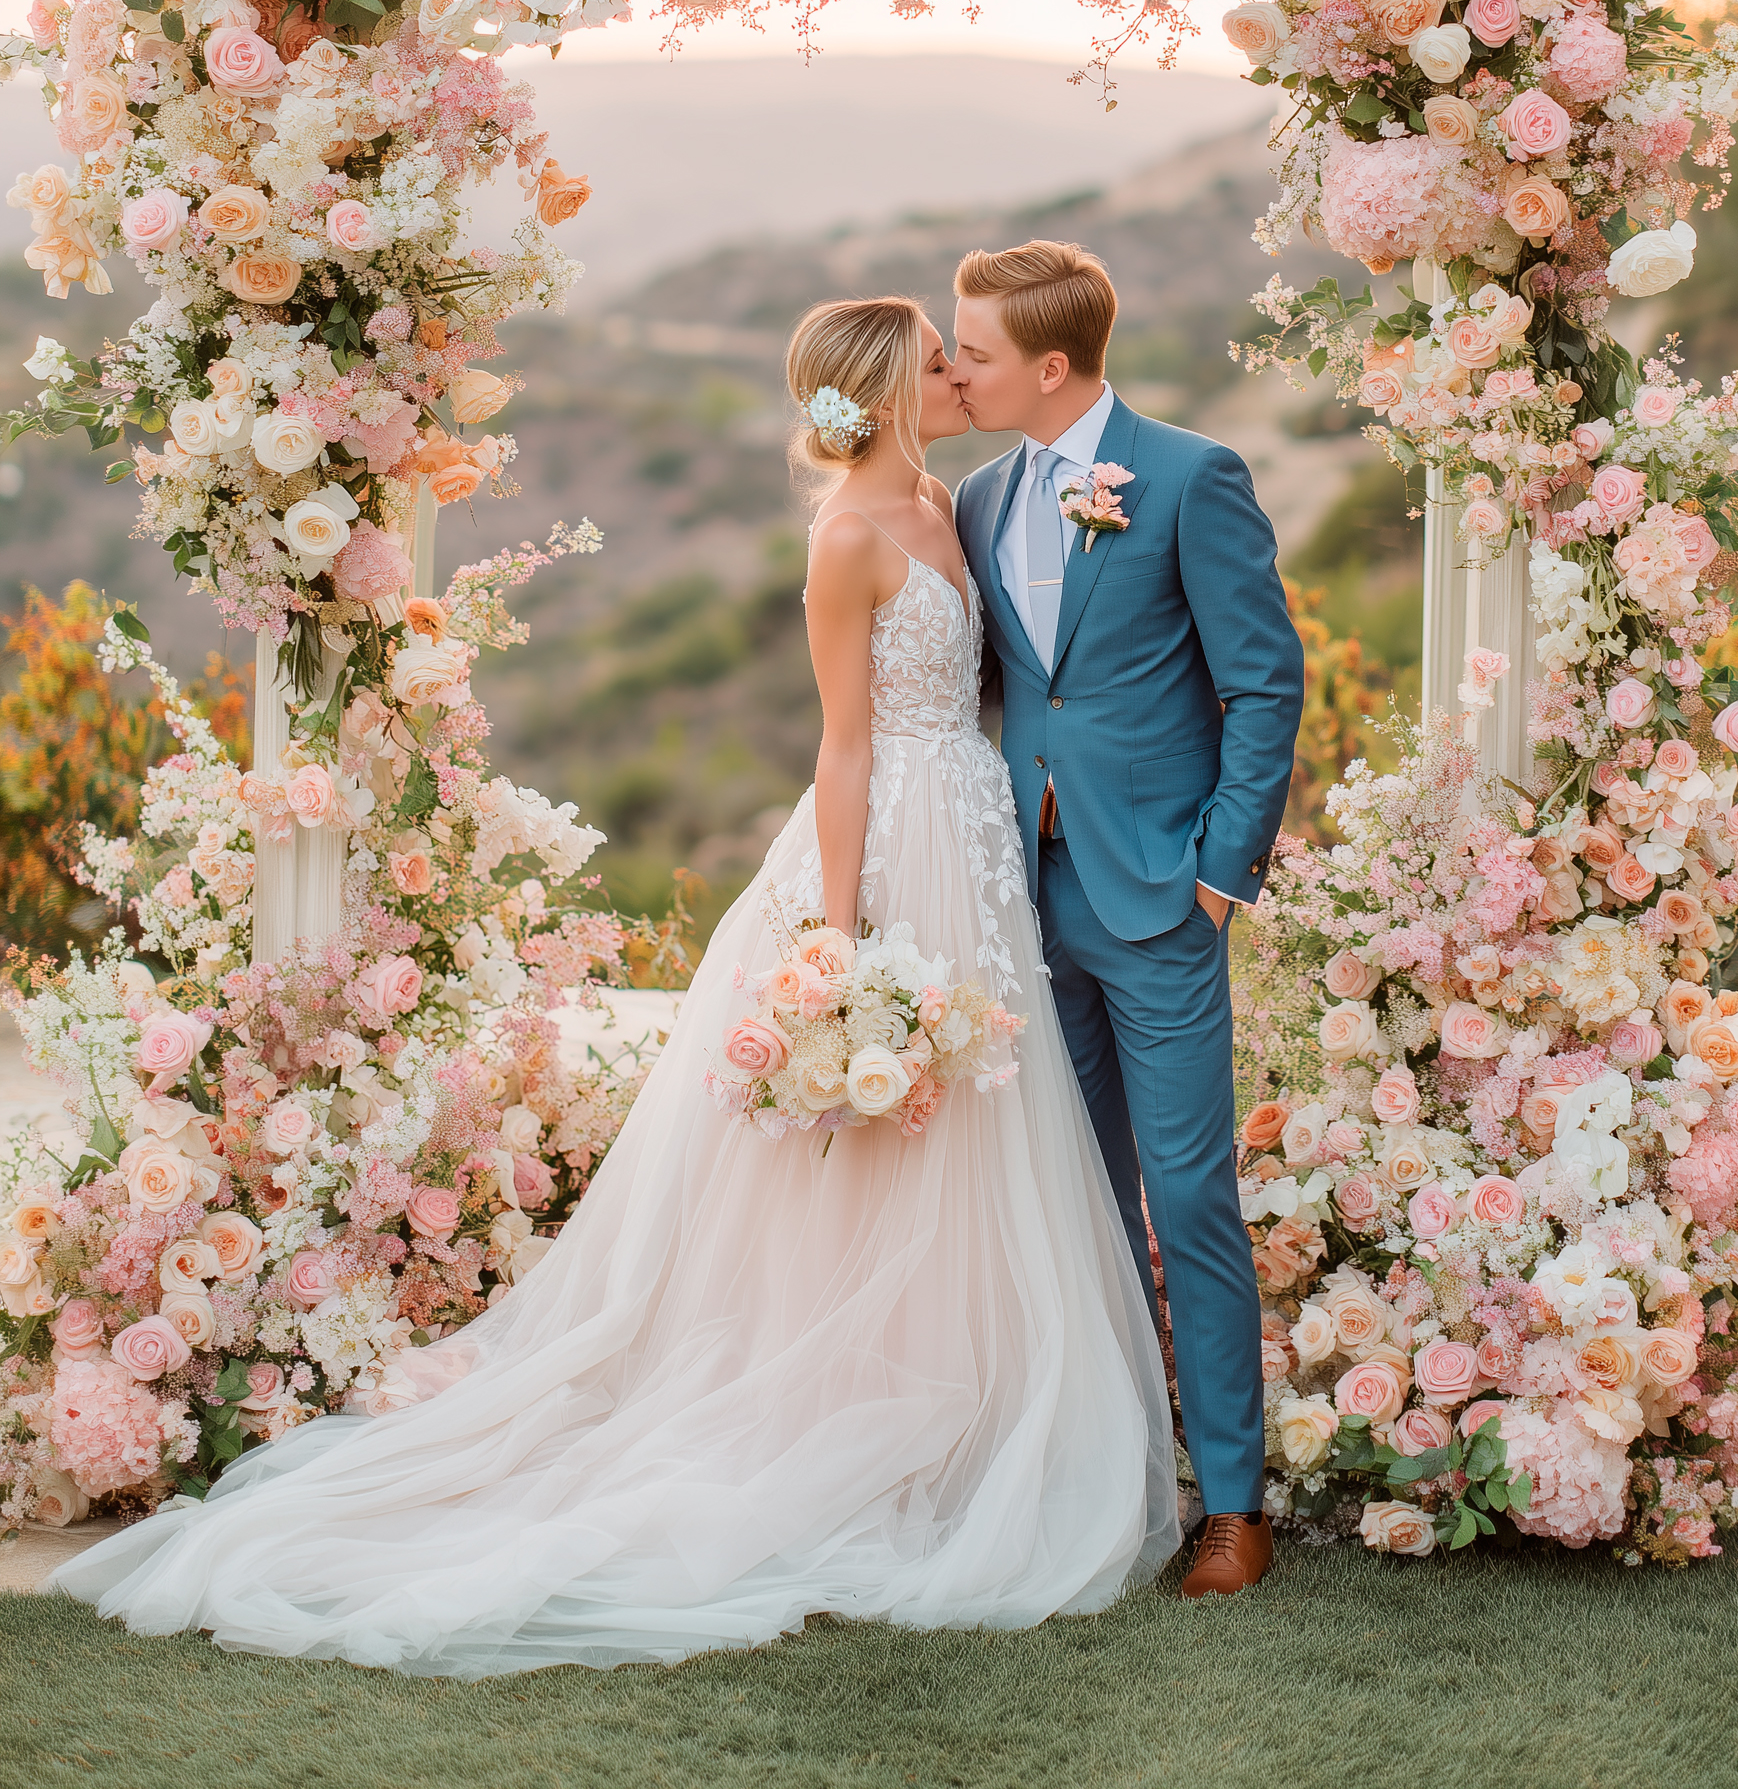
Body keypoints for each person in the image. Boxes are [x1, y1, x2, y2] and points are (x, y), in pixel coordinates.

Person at [53, 297, 1177, 1675]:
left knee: (973, 1133)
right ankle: (851, 1411)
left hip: (975, 839)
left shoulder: (951, 503)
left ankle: (965, 1413)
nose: (957, 377)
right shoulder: (845, 539)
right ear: (887, 393)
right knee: (873, 1156)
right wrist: (839, 946)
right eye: (937, 365)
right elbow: (842, 748)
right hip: (889, 852)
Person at [953, 241, 1304, 1598]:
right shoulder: (979, 496)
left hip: (1160, 897)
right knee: (1071, 1195)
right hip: (1023, 895)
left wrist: (1219, 873)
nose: (958, 371)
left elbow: (1261, 685)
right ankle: (1107, 1481)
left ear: (1050, 365)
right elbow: (1008, 687)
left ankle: (1232, 1505)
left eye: (976, 352)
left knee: (1189, 1196)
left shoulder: (1190, 477)